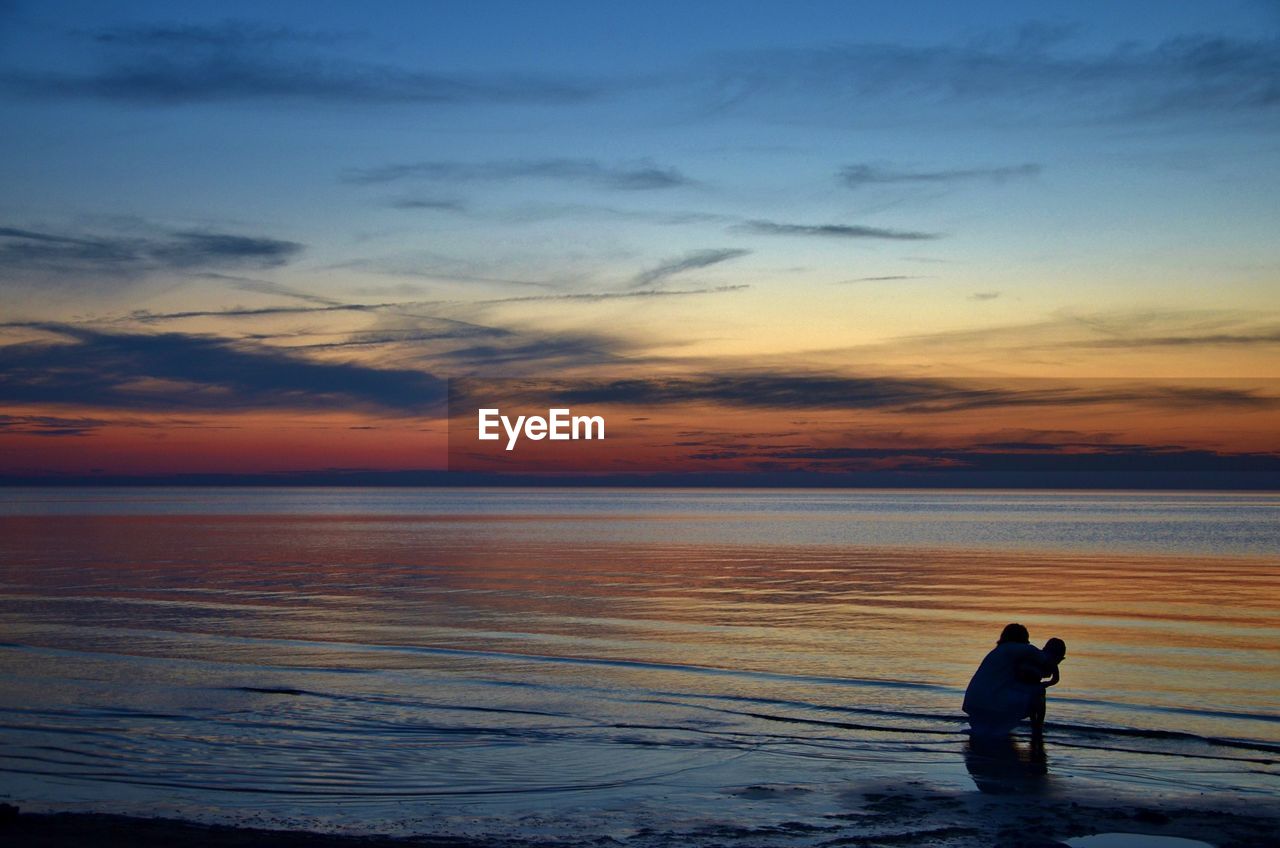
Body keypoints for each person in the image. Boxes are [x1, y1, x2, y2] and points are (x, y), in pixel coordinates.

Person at [962, 623, 1053, 737]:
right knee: (1038, 692)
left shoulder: (999, 652)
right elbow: (1046, 662)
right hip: (990, 703)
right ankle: (1037, 732)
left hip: (973, 702)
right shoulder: (1018, 649)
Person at [1028, 637, 1066, 736]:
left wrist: (1046, 684)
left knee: (1039, 701)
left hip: (1035, 684)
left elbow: (1056, 679)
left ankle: (1037, 725)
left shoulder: (1052, 663)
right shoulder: (1041, 658)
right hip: (1029, 683)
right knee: (1037, 703)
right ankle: (1036, 725)